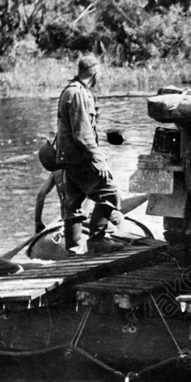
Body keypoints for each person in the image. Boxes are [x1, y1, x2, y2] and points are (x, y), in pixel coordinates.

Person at [56, 54, 125, 254]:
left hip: (71, 159)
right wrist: (100, 161)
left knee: (73, 204)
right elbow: (82, 135)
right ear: (94, 73)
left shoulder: (70, 91)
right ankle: (96, 241)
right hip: (80, 159)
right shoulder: (78, 94)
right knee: (111, 193)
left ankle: (73, 250)